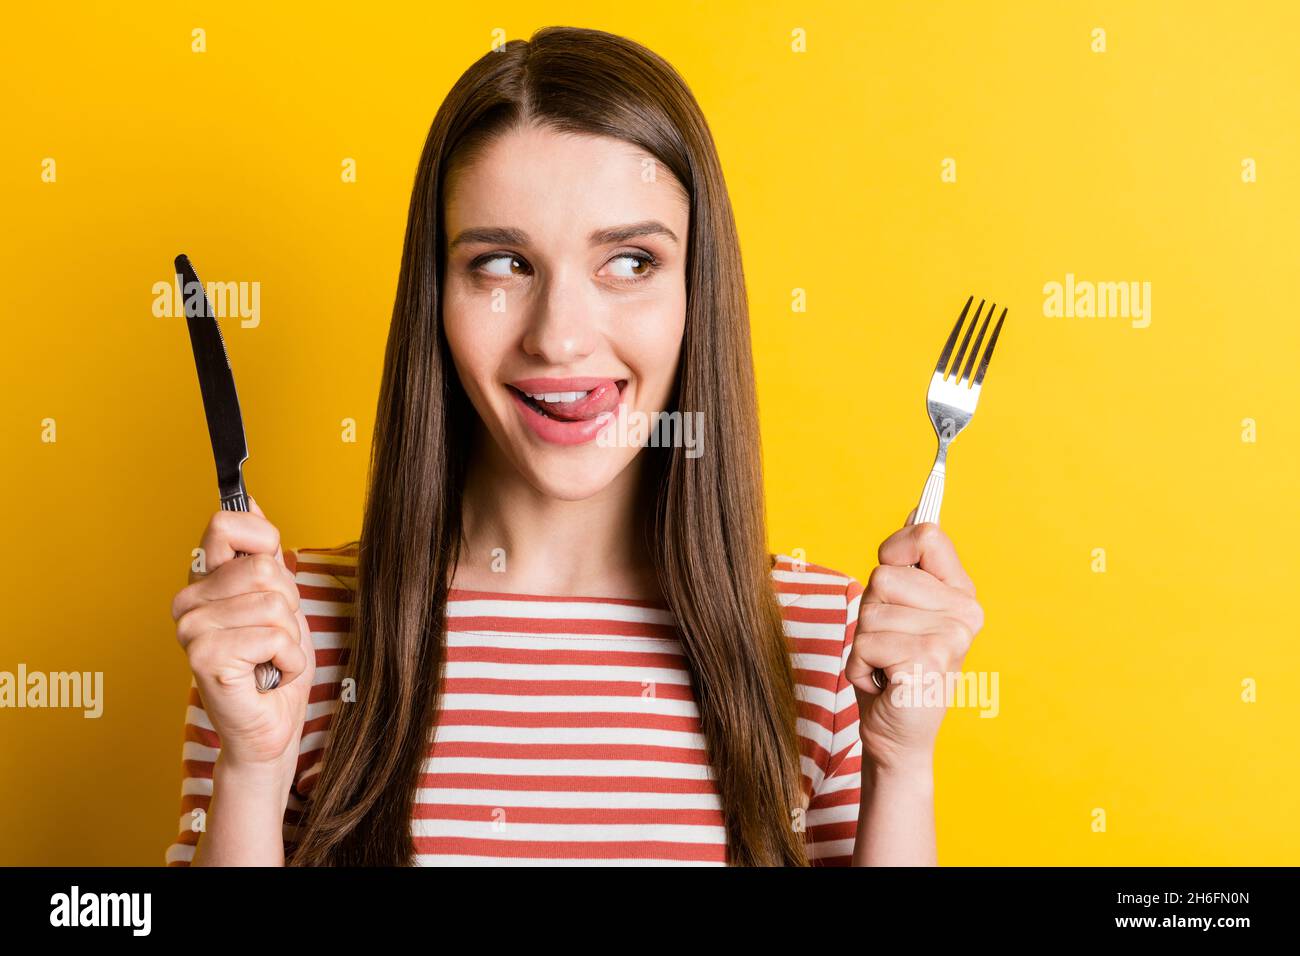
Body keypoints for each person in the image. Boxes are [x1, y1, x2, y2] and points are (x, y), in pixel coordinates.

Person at [166, 25, 984, 867]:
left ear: (697, 291)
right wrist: (254, 769)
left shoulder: (830, 640)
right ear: (436, 297)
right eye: (502, 265)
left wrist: (904, 765)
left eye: (630, 261)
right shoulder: (278, 631)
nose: (559, 340)